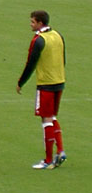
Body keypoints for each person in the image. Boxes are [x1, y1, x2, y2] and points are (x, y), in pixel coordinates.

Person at [17, 10, 67, 170]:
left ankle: (48, 160)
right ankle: (60, 151)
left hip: (46, 84)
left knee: (46, 120)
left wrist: (21, 82)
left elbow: (30, 64)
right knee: (52, 117)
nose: (30, 24)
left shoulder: (38, 40)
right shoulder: (58, 35)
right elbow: (62, 58)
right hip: (60, 81)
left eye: (32, 22)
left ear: (40, 23)